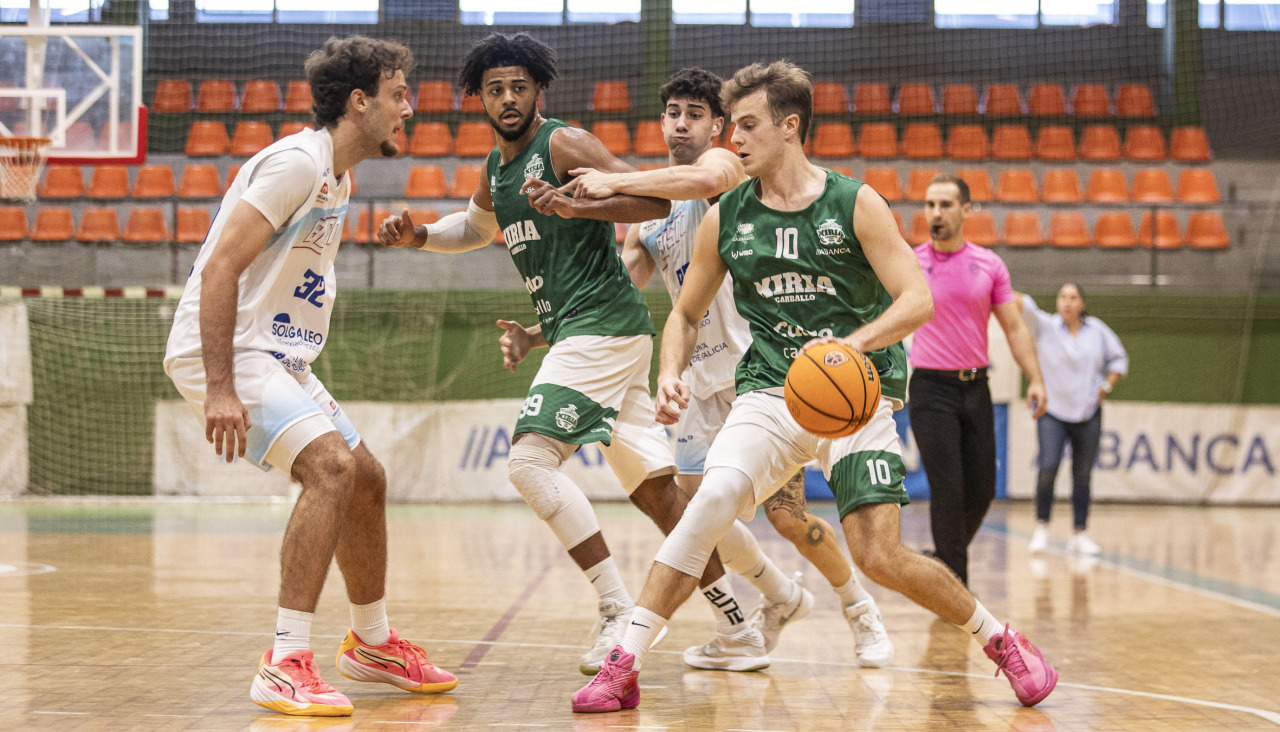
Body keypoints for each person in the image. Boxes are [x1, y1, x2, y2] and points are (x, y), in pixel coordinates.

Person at [571, 61, 1057, 714]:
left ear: (790, 127)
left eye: (747, 125)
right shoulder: (729, 217)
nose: (733, 138)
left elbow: (915, 301)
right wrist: (669, 373)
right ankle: (624, 663)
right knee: (707, 501)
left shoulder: (854, 202)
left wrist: (848, 349)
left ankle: (1000, 640)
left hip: (859, 394)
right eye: (732, 125)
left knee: (879, 554)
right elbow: (684, 314)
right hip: (770, 392)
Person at [377, 33, 806, 675]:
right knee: (660, 495)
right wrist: (420, 237)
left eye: (519, 85)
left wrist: (581, 203)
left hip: (601, 325)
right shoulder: (496, 171)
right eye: (495, 88)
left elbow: (653, 201)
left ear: (538, 89)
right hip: (603, 330)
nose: (508, 97)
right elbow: (476, 230)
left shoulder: (563, 143)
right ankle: (743, 618)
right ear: (481, 100)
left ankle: (614, 608)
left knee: (528, 463)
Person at [163, 37, 455, 717]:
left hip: (278, 357)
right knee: (330, 470)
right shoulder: (295, 162)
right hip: (233, 351)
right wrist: (220, 387)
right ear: (360, 101)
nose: (408, 107)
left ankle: (373, 644)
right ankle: (285, 661)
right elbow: (219, 269)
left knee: (367, 478)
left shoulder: (336, 173)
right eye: (398, 94)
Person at [566, 66, 892, 669]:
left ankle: (858, 607)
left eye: (696, 113)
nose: (682, 123)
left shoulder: (723, 170)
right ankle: (776, 598)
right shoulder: (650, 209)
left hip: (762, 375)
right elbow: (629, 281)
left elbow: (705, 176)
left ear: (719, 124)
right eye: (673, 112)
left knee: (788, 517)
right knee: (699, 512)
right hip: (698, 381)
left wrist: (609, 182)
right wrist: (541, 329)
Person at [910, 174, 1048, 587]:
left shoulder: (989, 265)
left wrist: (1036, 379)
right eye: (930, 204)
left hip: (975, 388)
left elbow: (1015, 329)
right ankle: (957, 592)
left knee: (983, 489)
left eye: (945, 204)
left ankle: (942, 563)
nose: (936, 213)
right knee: (948, 491)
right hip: (930, 390)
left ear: (966, 210)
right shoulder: (911, 263)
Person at [1017, 284, 1127, 556]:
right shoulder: (1045, 326)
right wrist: (994, 282)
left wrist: (1105, 387)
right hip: (1051, 411)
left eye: (1072, 298)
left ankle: (1080, 532)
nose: (1066, 302)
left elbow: (1119, 361)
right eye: (1062, 297)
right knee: (1048, 468)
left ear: (1082, 304)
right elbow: (1025, 303)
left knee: (1082, 475)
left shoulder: (1098, 331)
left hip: (1087, 413)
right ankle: (1042, 528)